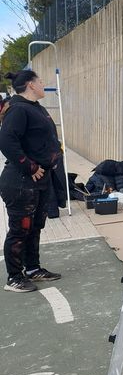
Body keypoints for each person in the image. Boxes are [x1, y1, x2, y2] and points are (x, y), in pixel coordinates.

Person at [0, 70, 63, 293]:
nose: (43, 84)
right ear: (30, 85)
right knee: (20, 230)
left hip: (40, 181)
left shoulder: (34, 108)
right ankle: (14, 278)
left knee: (35, 227)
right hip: (21, 182)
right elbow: (6, 141)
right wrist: (30, 166)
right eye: (40, 81)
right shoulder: (18, 110)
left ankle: (32, 269)